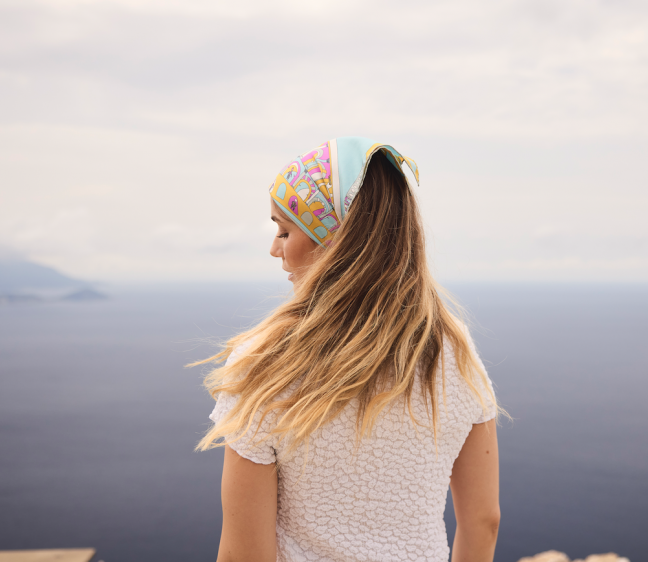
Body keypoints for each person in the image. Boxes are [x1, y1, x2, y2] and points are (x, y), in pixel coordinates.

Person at [195, 137, 503, 562]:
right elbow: (484, 521)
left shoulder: (265, 363)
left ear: (334, 241)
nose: (275, 248)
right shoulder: (455, 350)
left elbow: (243, 556)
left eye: (285, 231)